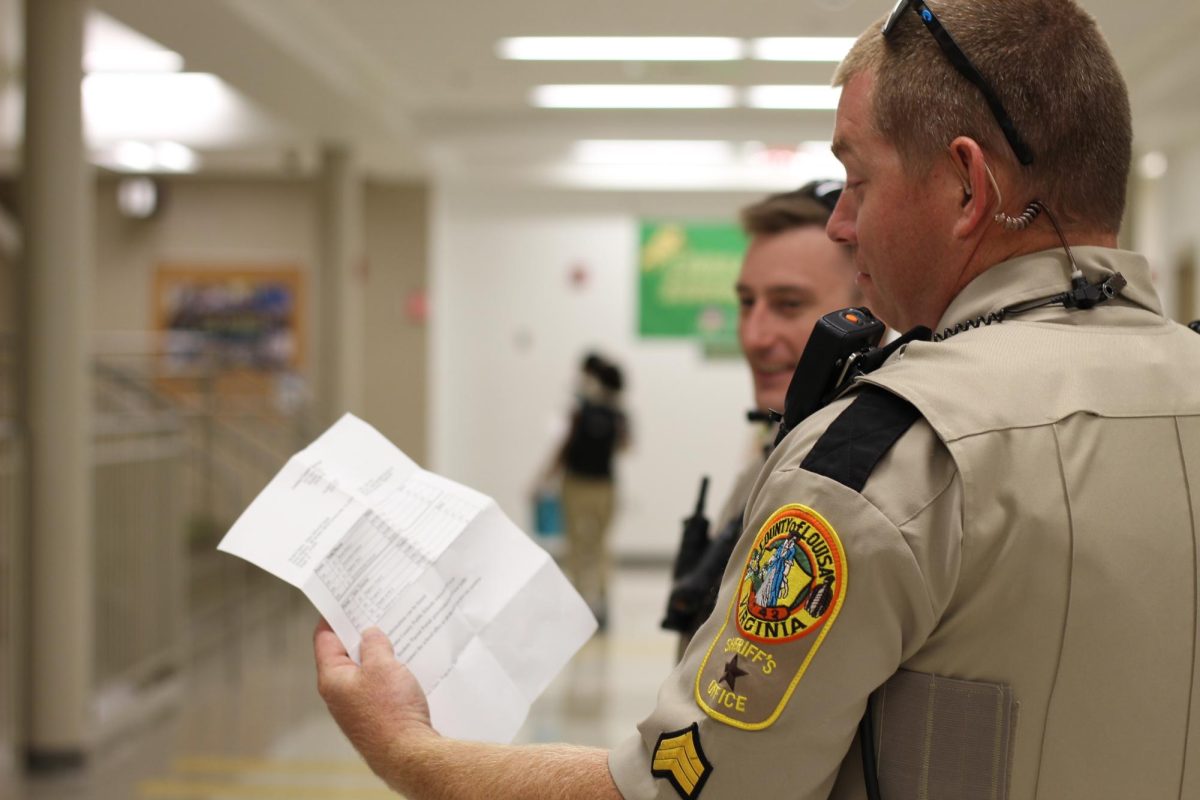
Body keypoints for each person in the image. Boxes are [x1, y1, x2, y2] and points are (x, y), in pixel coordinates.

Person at [313, 0, 1200, 797]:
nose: (842, 223)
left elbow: (683, 792)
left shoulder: (891, 456)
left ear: (967, 188)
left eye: (858, 178)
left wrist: (408, 748)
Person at [664, 180, 859, 654]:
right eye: (747, 303)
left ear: (867, 312)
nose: (753, 335)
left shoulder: (860, 481)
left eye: (788, 304)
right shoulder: (773, 454)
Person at [538, 352, 629, 628]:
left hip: (577, 483)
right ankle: (602, 602)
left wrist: (544, 478)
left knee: (577, 545)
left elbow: (564, 448)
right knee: (601, 546)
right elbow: (625, 446)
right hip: (606, 485)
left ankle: (580, 601)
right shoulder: (618, 413)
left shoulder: (580, 409)